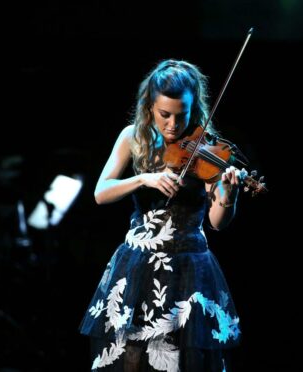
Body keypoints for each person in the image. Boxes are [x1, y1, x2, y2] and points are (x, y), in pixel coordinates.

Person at [80, 59, 242, 371]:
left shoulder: (207, 148)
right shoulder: (133, 138)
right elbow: (101, 192)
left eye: (181, 116)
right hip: (139, 265)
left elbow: (217, 222)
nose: (171, 124)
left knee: (184, 359)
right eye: (163, 114)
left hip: (189, 270)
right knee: (133, 357)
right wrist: (144, 178)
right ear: (149, 107)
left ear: (194, 109)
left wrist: (230, 196)